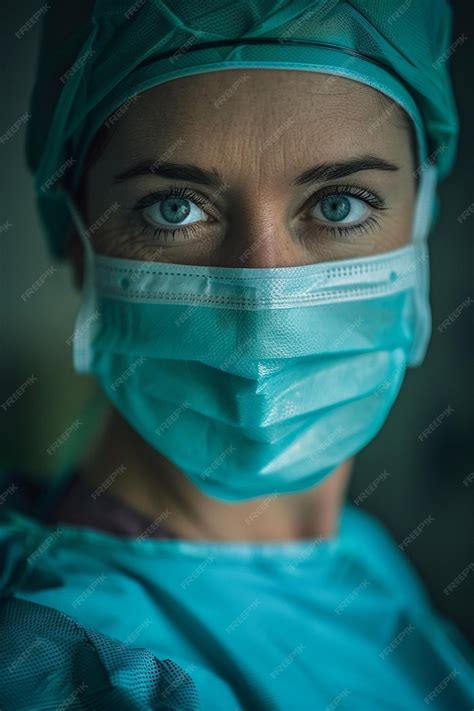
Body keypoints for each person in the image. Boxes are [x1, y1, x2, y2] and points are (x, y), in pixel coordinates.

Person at [1, 1, 473, 709]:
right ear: (77, 240)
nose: (265, 307)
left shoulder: (352, 554)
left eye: (340, 204)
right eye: (174, 209)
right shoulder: (86, 671)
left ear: (423, 214)